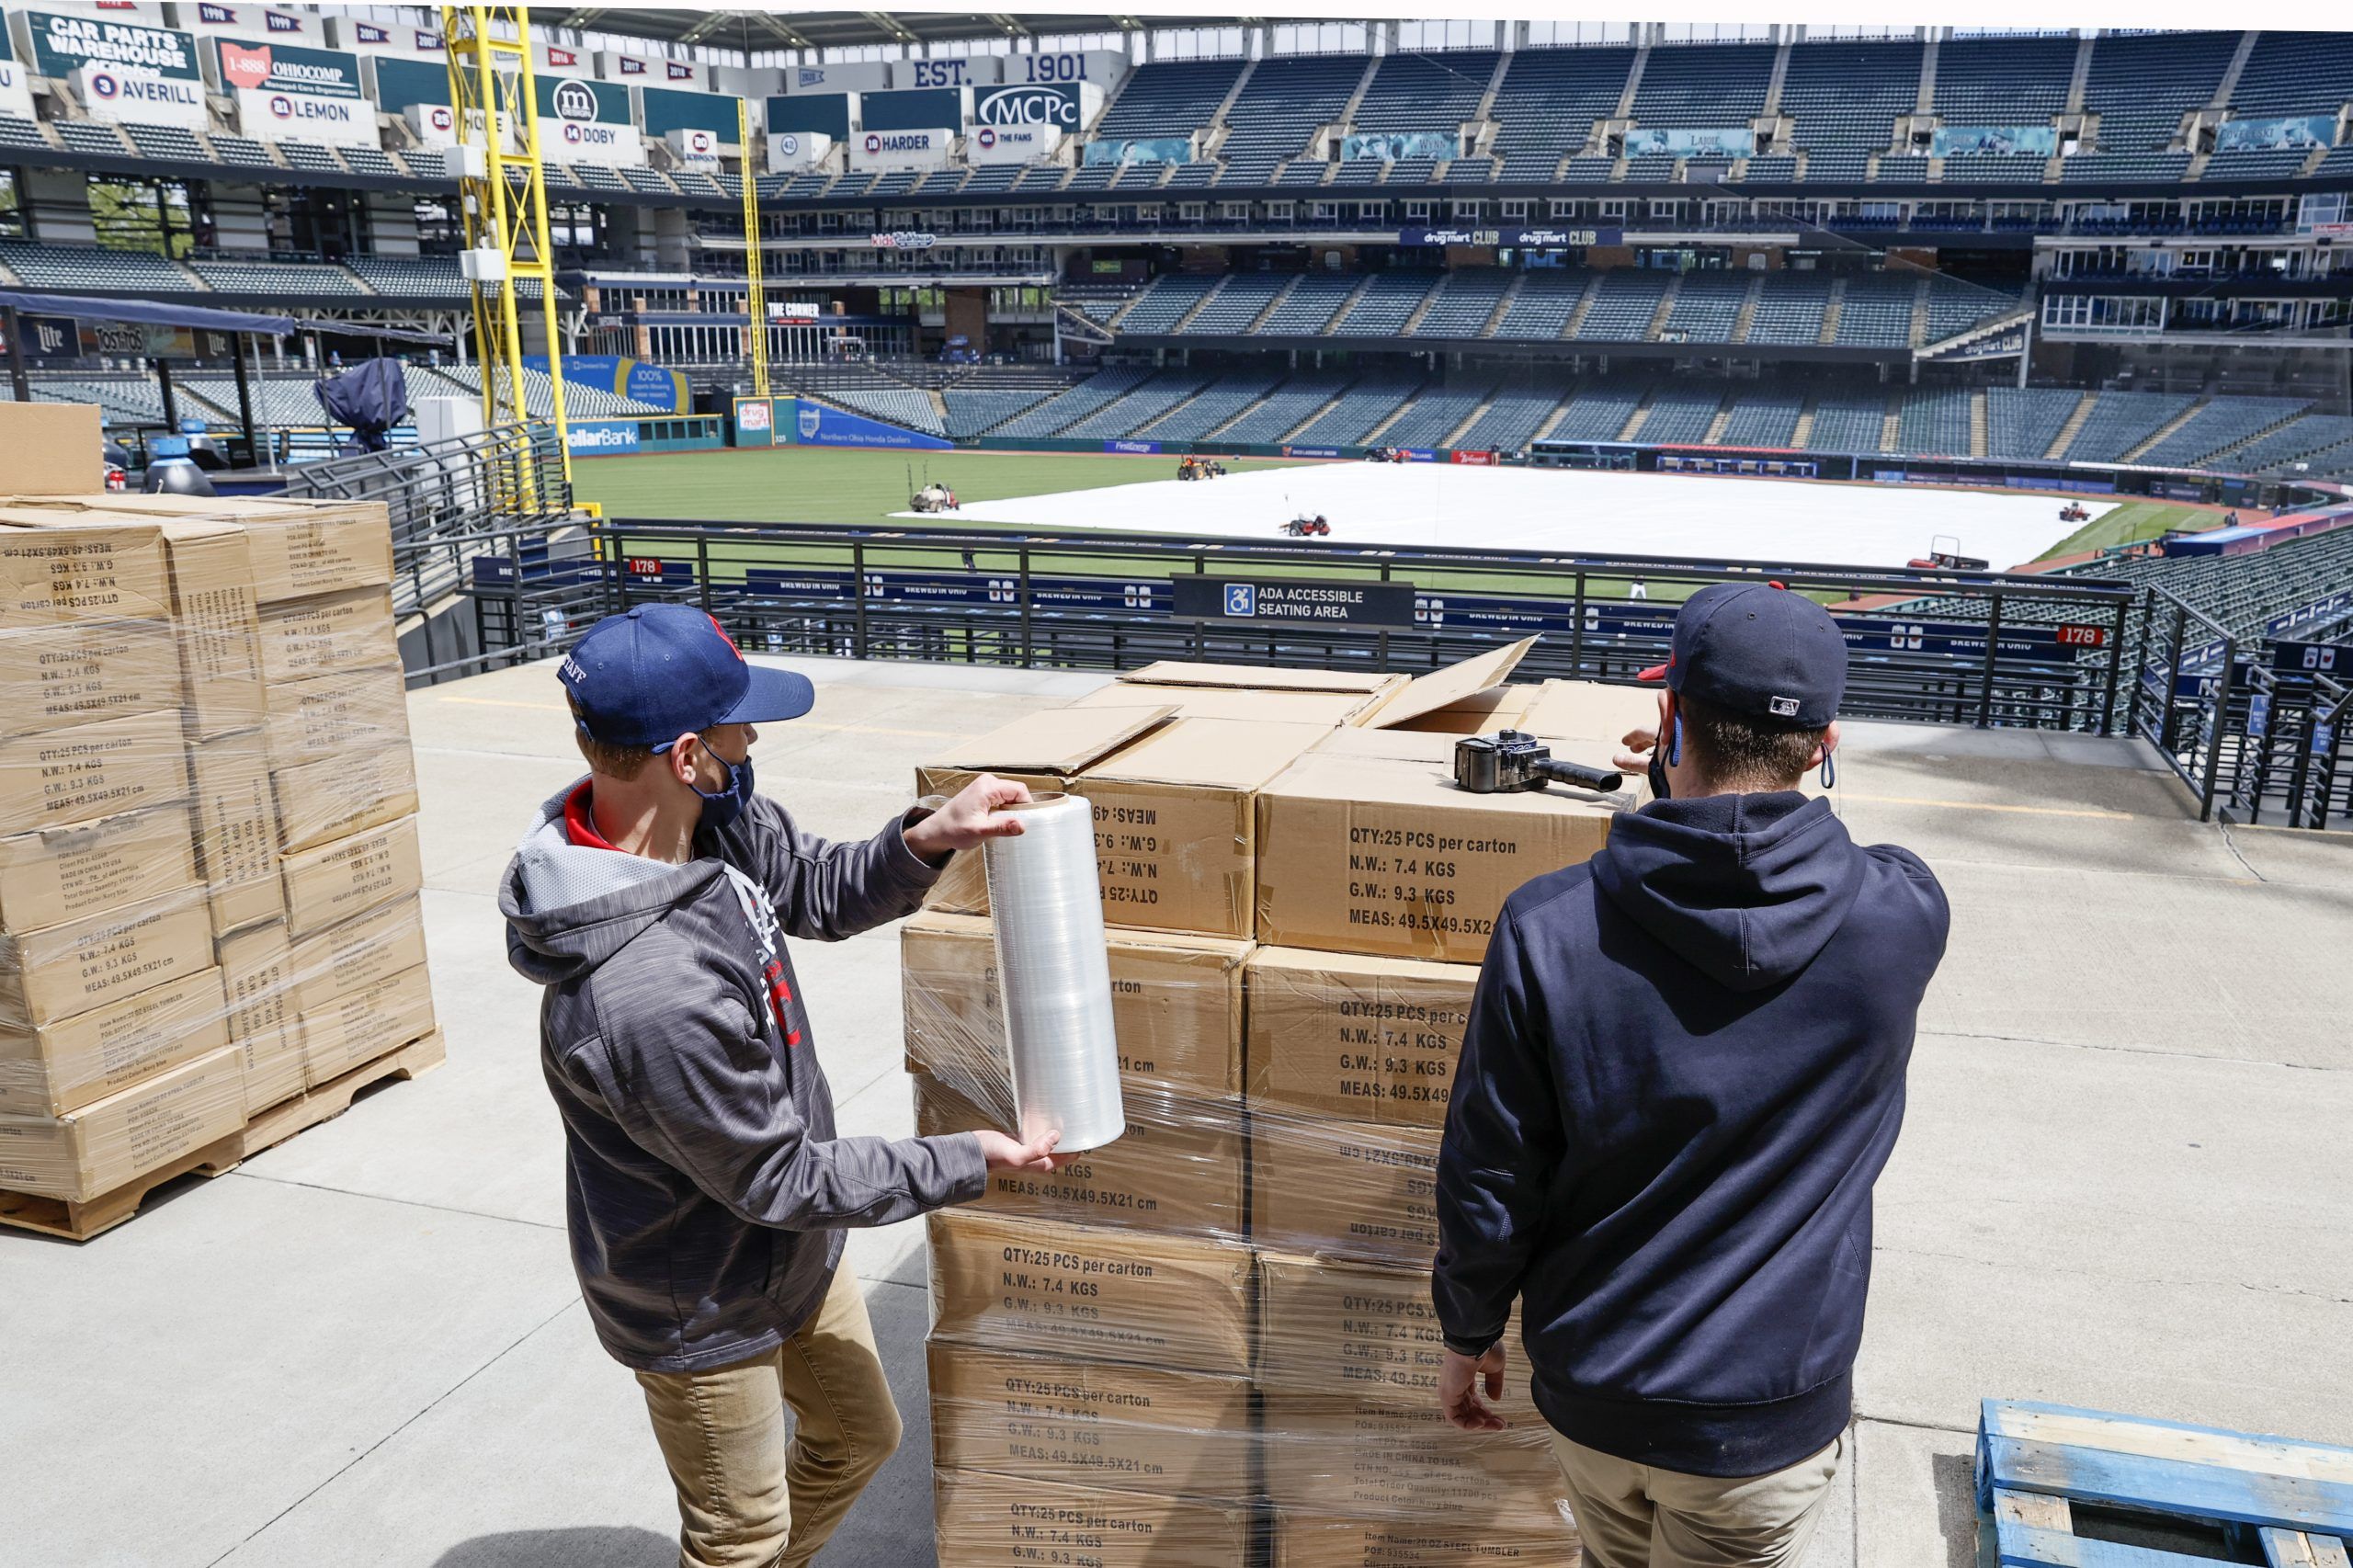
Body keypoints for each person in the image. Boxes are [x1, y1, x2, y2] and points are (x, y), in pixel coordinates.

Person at [500, 604, 1064, 1568]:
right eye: (735, 725)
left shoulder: (708, 821)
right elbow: (780, 1176)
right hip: (702, 1296)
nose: (751, 738)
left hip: (784, 1251)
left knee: (858, 1435)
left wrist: (930, 836)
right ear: (685, 754)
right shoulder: (646, 995)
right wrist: (966, 1158)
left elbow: (814, 887)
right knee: (741, 1532)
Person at [1432, 583, 1949, 1568]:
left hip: (1595, 1388)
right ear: (1823, 744)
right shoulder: (1902, 917)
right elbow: (1820, 852)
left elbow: (1490, 1169)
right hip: (1761, 1422)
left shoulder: (1548, 924)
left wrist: (1467, 1331)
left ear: (1668, 720)